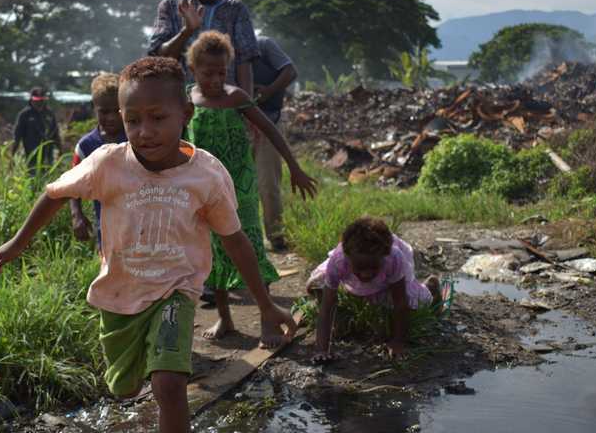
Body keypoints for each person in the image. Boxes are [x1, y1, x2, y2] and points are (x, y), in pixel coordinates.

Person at [0, 56, 297, 433]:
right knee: (126, 384)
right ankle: (135, 382)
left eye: (158, 119)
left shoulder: (206, 175)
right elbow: (55, 194)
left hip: (176, 290)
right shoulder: (109, 163)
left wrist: (267, 305)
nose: (144, 131)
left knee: (169, 383)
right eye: (132, 120)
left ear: (185, 116)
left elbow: (236, 242)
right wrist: (17, 242)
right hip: (120, 293)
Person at [185, 31, 318, 345]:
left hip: (239, 185)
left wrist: (295, 168)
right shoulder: (189, 99)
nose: (216, 79)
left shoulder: (237, 98)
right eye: (208, 73)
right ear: (194, 70)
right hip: (204, 186)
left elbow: (270, 131)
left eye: (222, 72)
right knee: (214, 251)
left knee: (253, 247)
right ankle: (224, 318)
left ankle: (267, 320)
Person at [308, 217, 441, 364]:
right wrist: (321, 349)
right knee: (319, 283)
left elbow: (400, 302)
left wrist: (398, 341)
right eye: (360, 268)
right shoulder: (339, 261)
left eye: (373, 268)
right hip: (350, 274)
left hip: (387, 279)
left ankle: (431, 288)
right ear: (348, 258)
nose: (366, 274)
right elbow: (327, 306)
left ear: (383, 257)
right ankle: (341, 315)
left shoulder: (393, 258)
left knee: (414, 301)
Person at [148, 0, 258, 97]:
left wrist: (246, 106)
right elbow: (160, 59)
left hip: (225, 102)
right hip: (180, 102)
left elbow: (244, 62)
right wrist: (187, 31)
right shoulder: (170, 6)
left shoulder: (235, 9)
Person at [69, 72, 127, 246]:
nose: (111, 117)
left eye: (117, 111)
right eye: (104, 111)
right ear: (94, 107)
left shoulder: (137, 138)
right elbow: (72, 184)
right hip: (106, 229)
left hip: (143, 224)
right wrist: (76, 215)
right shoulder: (86, 146)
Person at [252, 36, 298, 252]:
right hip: (236, 124)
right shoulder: (222, 52)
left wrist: (268, 91)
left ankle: (276, 236)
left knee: (268, 183)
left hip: (269, 118)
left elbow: (290, 71)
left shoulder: (264, 45)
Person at [12, 86, 61, 172]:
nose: (39, 103)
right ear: (31, 100)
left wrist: (60, 150)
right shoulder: (25, 115)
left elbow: (55, 133)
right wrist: (12, 155)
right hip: (32, 155)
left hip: (48, 156)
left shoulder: (49, 114)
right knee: (33, 180)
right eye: (37, 101)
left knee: (48, 179)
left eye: (41, 100)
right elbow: (17, 136)